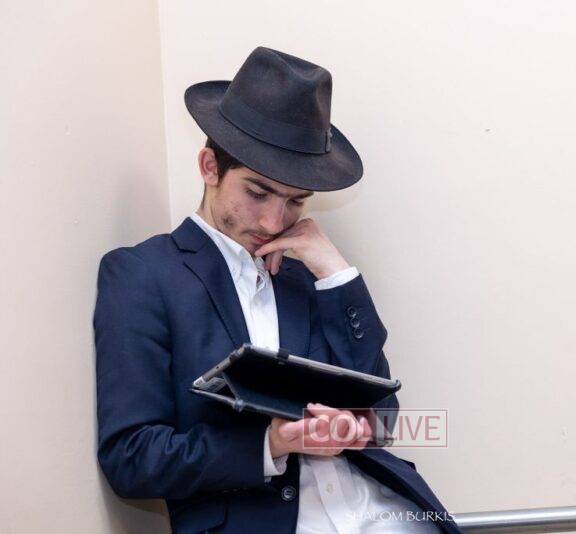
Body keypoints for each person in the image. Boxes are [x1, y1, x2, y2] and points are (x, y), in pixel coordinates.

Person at [94, 47, 460, 533]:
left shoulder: (307, 277)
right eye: (257, 192)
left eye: (296, 201)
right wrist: (271, 444)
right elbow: (130, 457)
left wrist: (335, 272)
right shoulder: (143, 274)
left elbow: (385, 419)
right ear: (209, 166)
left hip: (392, 516)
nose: (273, 221)